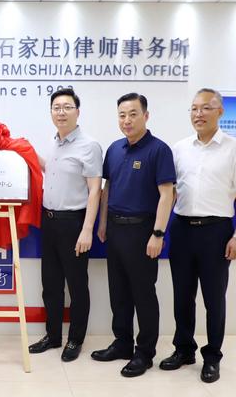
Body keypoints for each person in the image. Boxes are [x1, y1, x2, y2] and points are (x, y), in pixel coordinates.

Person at [159, 88, 236, 383]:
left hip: (216, 232)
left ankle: (212, 357)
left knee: (214, 299)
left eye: (206, 108)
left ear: (220, 111)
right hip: (182, 229)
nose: (199, 114)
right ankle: (184, 349)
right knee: (182, 296)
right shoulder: (179, 148)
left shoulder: (235, 149)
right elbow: (170, 192)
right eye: (194, 108)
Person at [92, 92, 175, 378]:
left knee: (143, 294)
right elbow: (108, 189)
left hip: (143, 231)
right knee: (119, 292)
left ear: (146, 116)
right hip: (115, 229)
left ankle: (145, 353)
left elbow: (167, 195)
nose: (127, 120)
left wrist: (158, 234)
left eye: (133, 114)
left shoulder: (159, 150)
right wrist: (103, 223)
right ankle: (122, 343)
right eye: (122, 115)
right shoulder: (114, 149)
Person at [28, 88, 102, 362]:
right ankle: (53, 336)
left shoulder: (89, 146)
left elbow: (94, 190)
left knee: (77, 286)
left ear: (77, 112)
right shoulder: (53, 142)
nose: (61, 112)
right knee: (51, 284)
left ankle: (75, 340)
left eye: (67, 107)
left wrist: (87, 230)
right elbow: (50, 170)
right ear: (51, 112)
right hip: (49, 222)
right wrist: (24, 151)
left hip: (74, 223)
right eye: (56, 107)